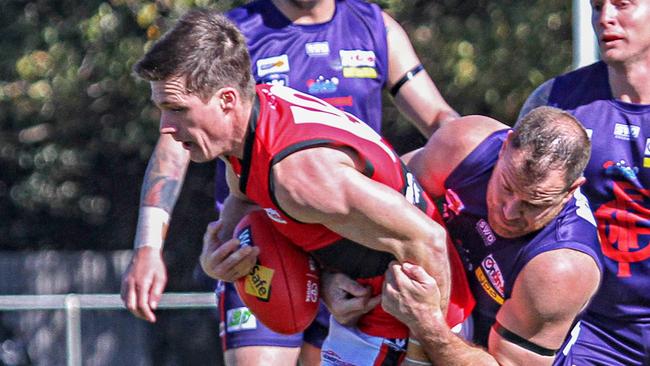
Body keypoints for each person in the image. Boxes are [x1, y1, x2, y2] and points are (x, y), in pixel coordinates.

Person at [120, 0, 459, 364]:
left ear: (228, 100)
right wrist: (190, 245)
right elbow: (192, 154)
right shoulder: (232, 48)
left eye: (175, 111)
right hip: (280, 242)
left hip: (370, 267)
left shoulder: (374, 28)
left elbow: (428, 229)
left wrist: (430, 347)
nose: (166, 127)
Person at [378, 107, 603, 365]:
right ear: (504, 147)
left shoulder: (561, 267)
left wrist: (427, 322)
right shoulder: (464, 145)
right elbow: (379, 198)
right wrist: (336, 277)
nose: (510, 212)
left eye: (534, 204)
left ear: (571, 190)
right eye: (507, 186)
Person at [516, 0, 650, 363]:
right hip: (594, 328)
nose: (605, 17)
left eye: (622, 4)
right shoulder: (557, 103)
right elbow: (508, 208)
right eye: (596, 6)